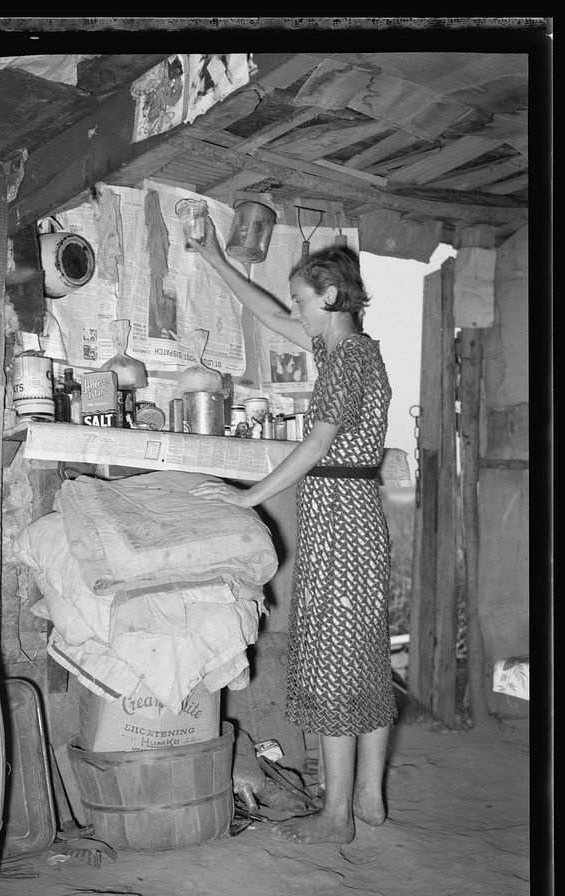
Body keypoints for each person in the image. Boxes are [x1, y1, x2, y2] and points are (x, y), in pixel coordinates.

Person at [188, 218, 396, 845]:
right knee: (364, 658)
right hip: (355, 512)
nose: (296, 311)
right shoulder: (351, 350)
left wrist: (248, 494)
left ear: (330, 298)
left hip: (341, 518)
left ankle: (336, 818)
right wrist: (215, 259)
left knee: (336, 660)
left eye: (305, 299)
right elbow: (268, 311)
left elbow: (317, 444)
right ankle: (367, 800)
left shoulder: (343, 363)